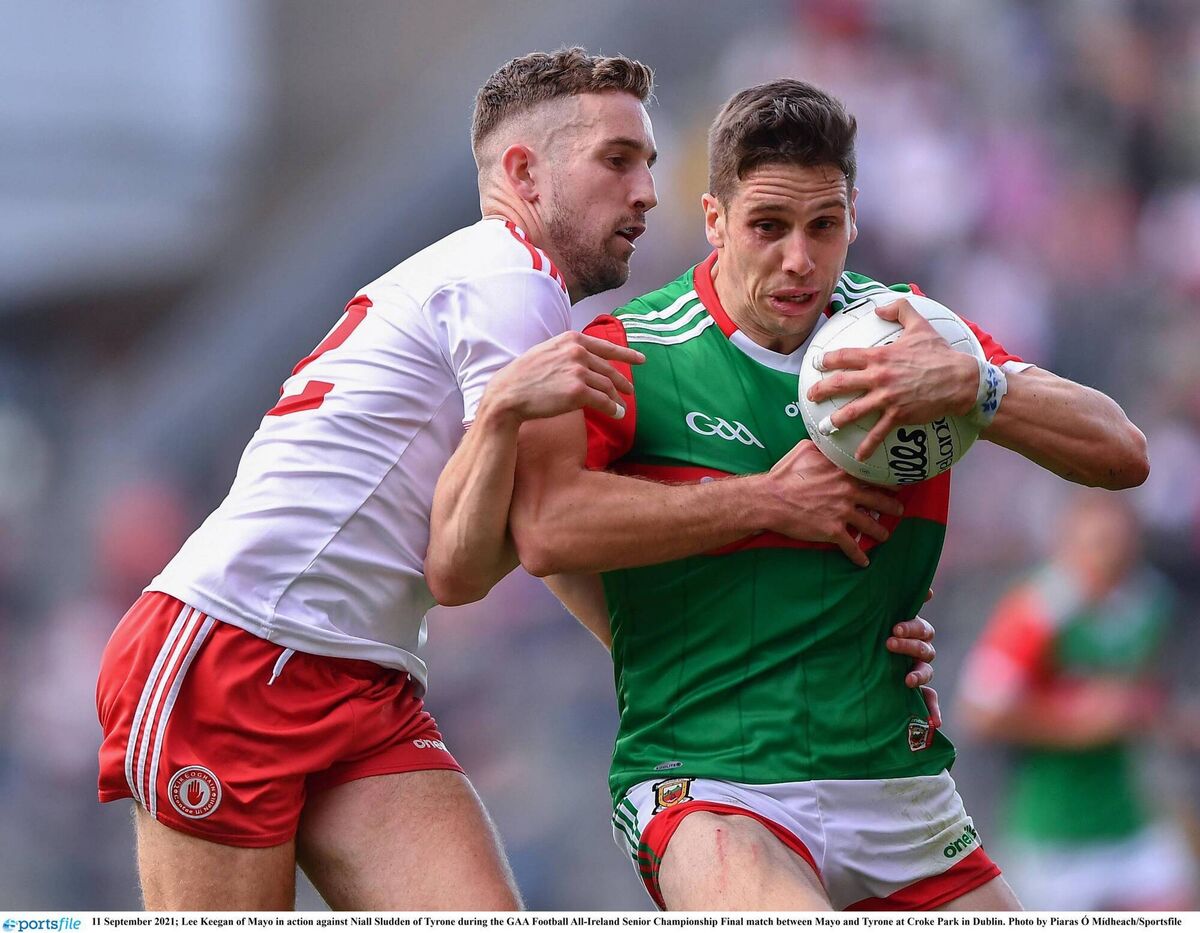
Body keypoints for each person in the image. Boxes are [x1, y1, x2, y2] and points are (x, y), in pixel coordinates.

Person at [95, 48, 937, 911]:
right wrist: (774, 503)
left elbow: (479, 563)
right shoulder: (511, 279)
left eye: (648, 163)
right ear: (525, 173)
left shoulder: (512, 289)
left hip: (364, 673)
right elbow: (555, 525)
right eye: (617, 161)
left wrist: (781, 656)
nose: (647, 191)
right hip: (233, 650)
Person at [495, 80, 1149, 910]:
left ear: (851, 219)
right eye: (769, 226)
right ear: (715, 221)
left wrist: (977, 384)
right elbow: (545, 530)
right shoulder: (631, 354)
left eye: (824, 226)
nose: (799, 258)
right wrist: (762, 502)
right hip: (712, 782)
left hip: (896, 779)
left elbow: (1122, 452)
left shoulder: (910, 334)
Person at [959, 491, 1198, 910]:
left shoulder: (1150, 602)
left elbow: (1141, 698)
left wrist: (1163, 717)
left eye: (1120, 542)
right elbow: (978, 711)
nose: (1110, 556)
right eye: (1097, 542)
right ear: (1066, 541)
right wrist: (1075, 723)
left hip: (1129, 819)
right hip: (1054, 835)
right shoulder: (1037, 610)